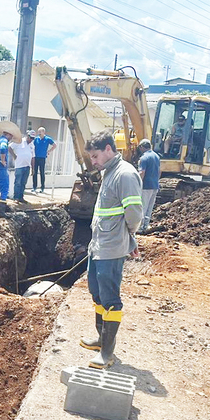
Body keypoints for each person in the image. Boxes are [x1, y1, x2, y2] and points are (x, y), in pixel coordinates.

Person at [79, 131, 143, 369]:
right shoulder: (109, 172)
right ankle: (100, 338)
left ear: (108, 149)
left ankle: (107, 353)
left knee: (111, 299)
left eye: (95, 156)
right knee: (96, 293)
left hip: (111, 247)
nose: (93, 162)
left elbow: (134, 214)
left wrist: (129, 238)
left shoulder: (125, 174)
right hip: (98, 245)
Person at [137, 139, 160, 232]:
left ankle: (139, 227)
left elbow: (142, 172)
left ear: (142, 147)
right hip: (154, 185)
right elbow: (159, 171)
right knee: (149, 207)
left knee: (142, 206)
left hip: (146, 186)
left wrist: (137, 183)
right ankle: (145, 226)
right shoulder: (156, 156)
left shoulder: (144, 158)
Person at [11, 131, 35, 203]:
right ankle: (16, 197)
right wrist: (14, 155)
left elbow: (33, 157)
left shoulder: (32, 145)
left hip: (27, 166)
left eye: (33, 138)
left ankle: (21, 197)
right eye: (31, 138)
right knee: (18, 182)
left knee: (23, 183)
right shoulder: (19, 141)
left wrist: (33, 168)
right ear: (27, 136)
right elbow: (10, 147)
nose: (31, 139)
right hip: (19, 166)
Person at [32, 127, 56, 192]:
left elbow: (54, 145)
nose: (39, 133)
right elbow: (33, 146)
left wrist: (49, 151)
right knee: (34, 172)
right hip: (36, 157)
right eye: (38, 132)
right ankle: (34, 187)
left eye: (40, 132)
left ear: (43, 132)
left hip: (42, 157)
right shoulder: (36, 139)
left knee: (42, 172)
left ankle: (42, 187)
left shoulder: (47, 139)